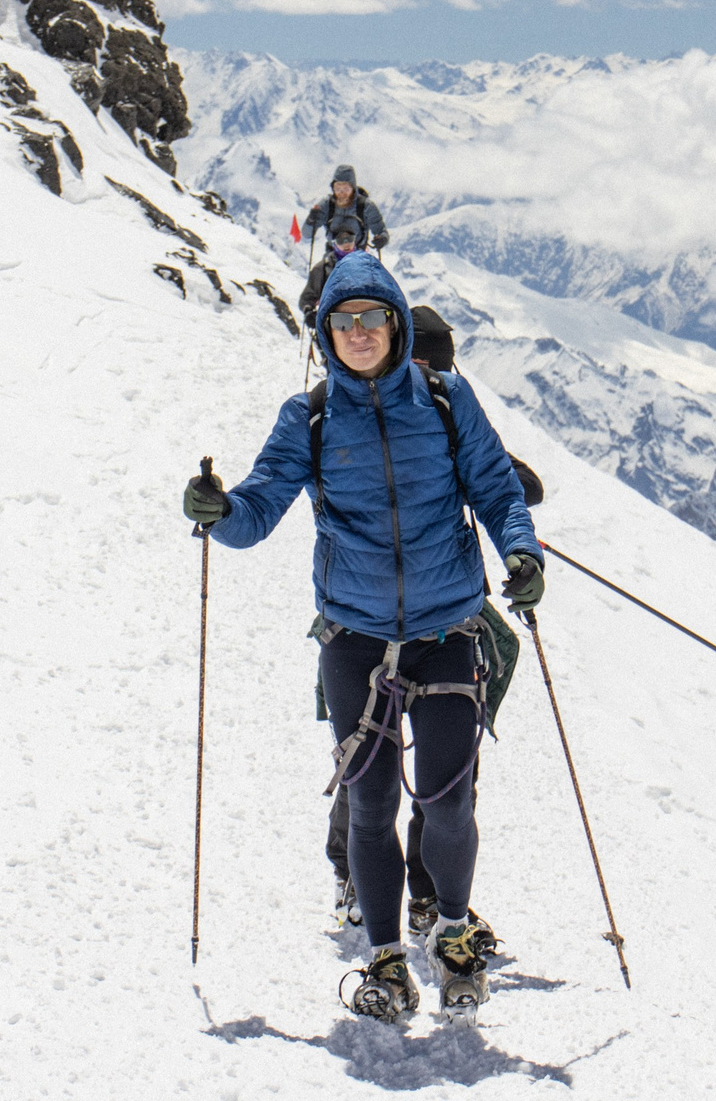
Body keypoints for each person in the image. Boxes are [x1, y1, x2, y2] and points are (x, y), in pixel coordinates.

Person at [183, 255, 544, 1023]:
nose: (358, 334)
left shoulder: (448, 401)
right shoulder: (307, 419)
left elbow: (497, 488)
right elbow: (262, 504)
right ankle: (386, 958)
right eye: (343, 324)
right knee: (371, 804)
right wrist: (222, 512)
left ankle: (450, 931)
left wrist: (523, 552)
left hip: (448, 627)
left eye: (371, 320)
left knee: (447, 805)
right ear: (326, 334)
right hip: (355, 639)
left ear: (395, 323)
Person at [320, 305, 536, 949]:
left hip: (427, 605)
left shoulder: (444, 409)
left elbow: (506, 480)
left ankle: (412, 892)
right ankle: (396, 889)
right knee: (379, 765)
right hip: (371, 614)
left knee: (374, 757)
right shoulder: (357, 412)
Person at [303, 165, 388, 255]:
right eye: (338, 189)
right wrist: (311, 220)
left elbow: (381, 230)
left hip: (358, 258)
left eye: (346, 189)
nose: (341, 193)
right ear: (333, 188)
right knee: (317, 270)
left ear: (353, 188)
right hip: (333, 258)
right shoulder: (327, 205)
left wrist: (382, 239)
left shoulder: (365, 206)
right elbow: (307, 234)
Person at [297, 214, 364, 322]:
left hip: (362, 320)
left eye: (350, 239)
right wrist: (308, 311)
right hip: (331, 323)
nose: (346, 244)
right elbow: (307, 298)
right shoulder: (321, 269)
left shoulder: (366, 266)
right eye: (341, 241)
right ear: (334, 244)